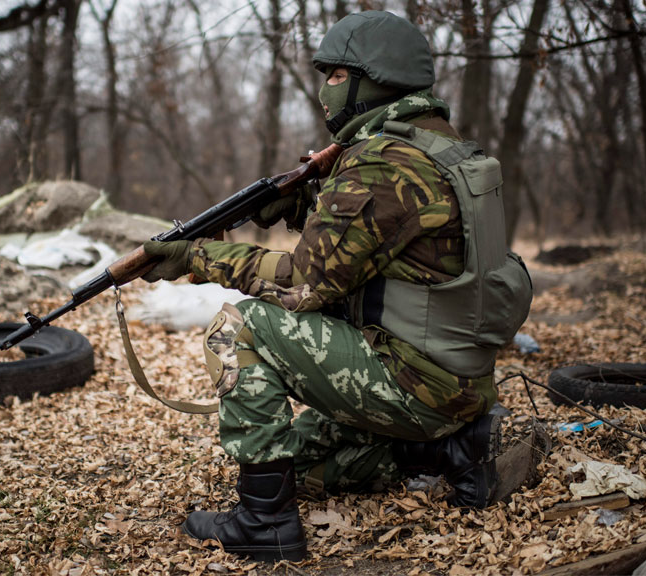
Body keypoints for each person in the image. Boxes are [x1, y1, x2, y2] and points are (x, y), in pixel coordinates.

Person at [140, 10, 541, 563]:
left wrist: (198, 256)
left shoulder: (383, 163)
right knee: (300, 466)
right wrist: (305, 205)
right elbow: (384, 243)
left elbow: (305, 285)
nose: (324, 91)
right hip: (457, 385)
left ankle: (265, 525)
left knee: (241, 328)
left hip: (415, 382)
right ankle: (449, 452)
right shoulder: (447, 152)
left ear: (370, 80)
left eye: (333, 76)